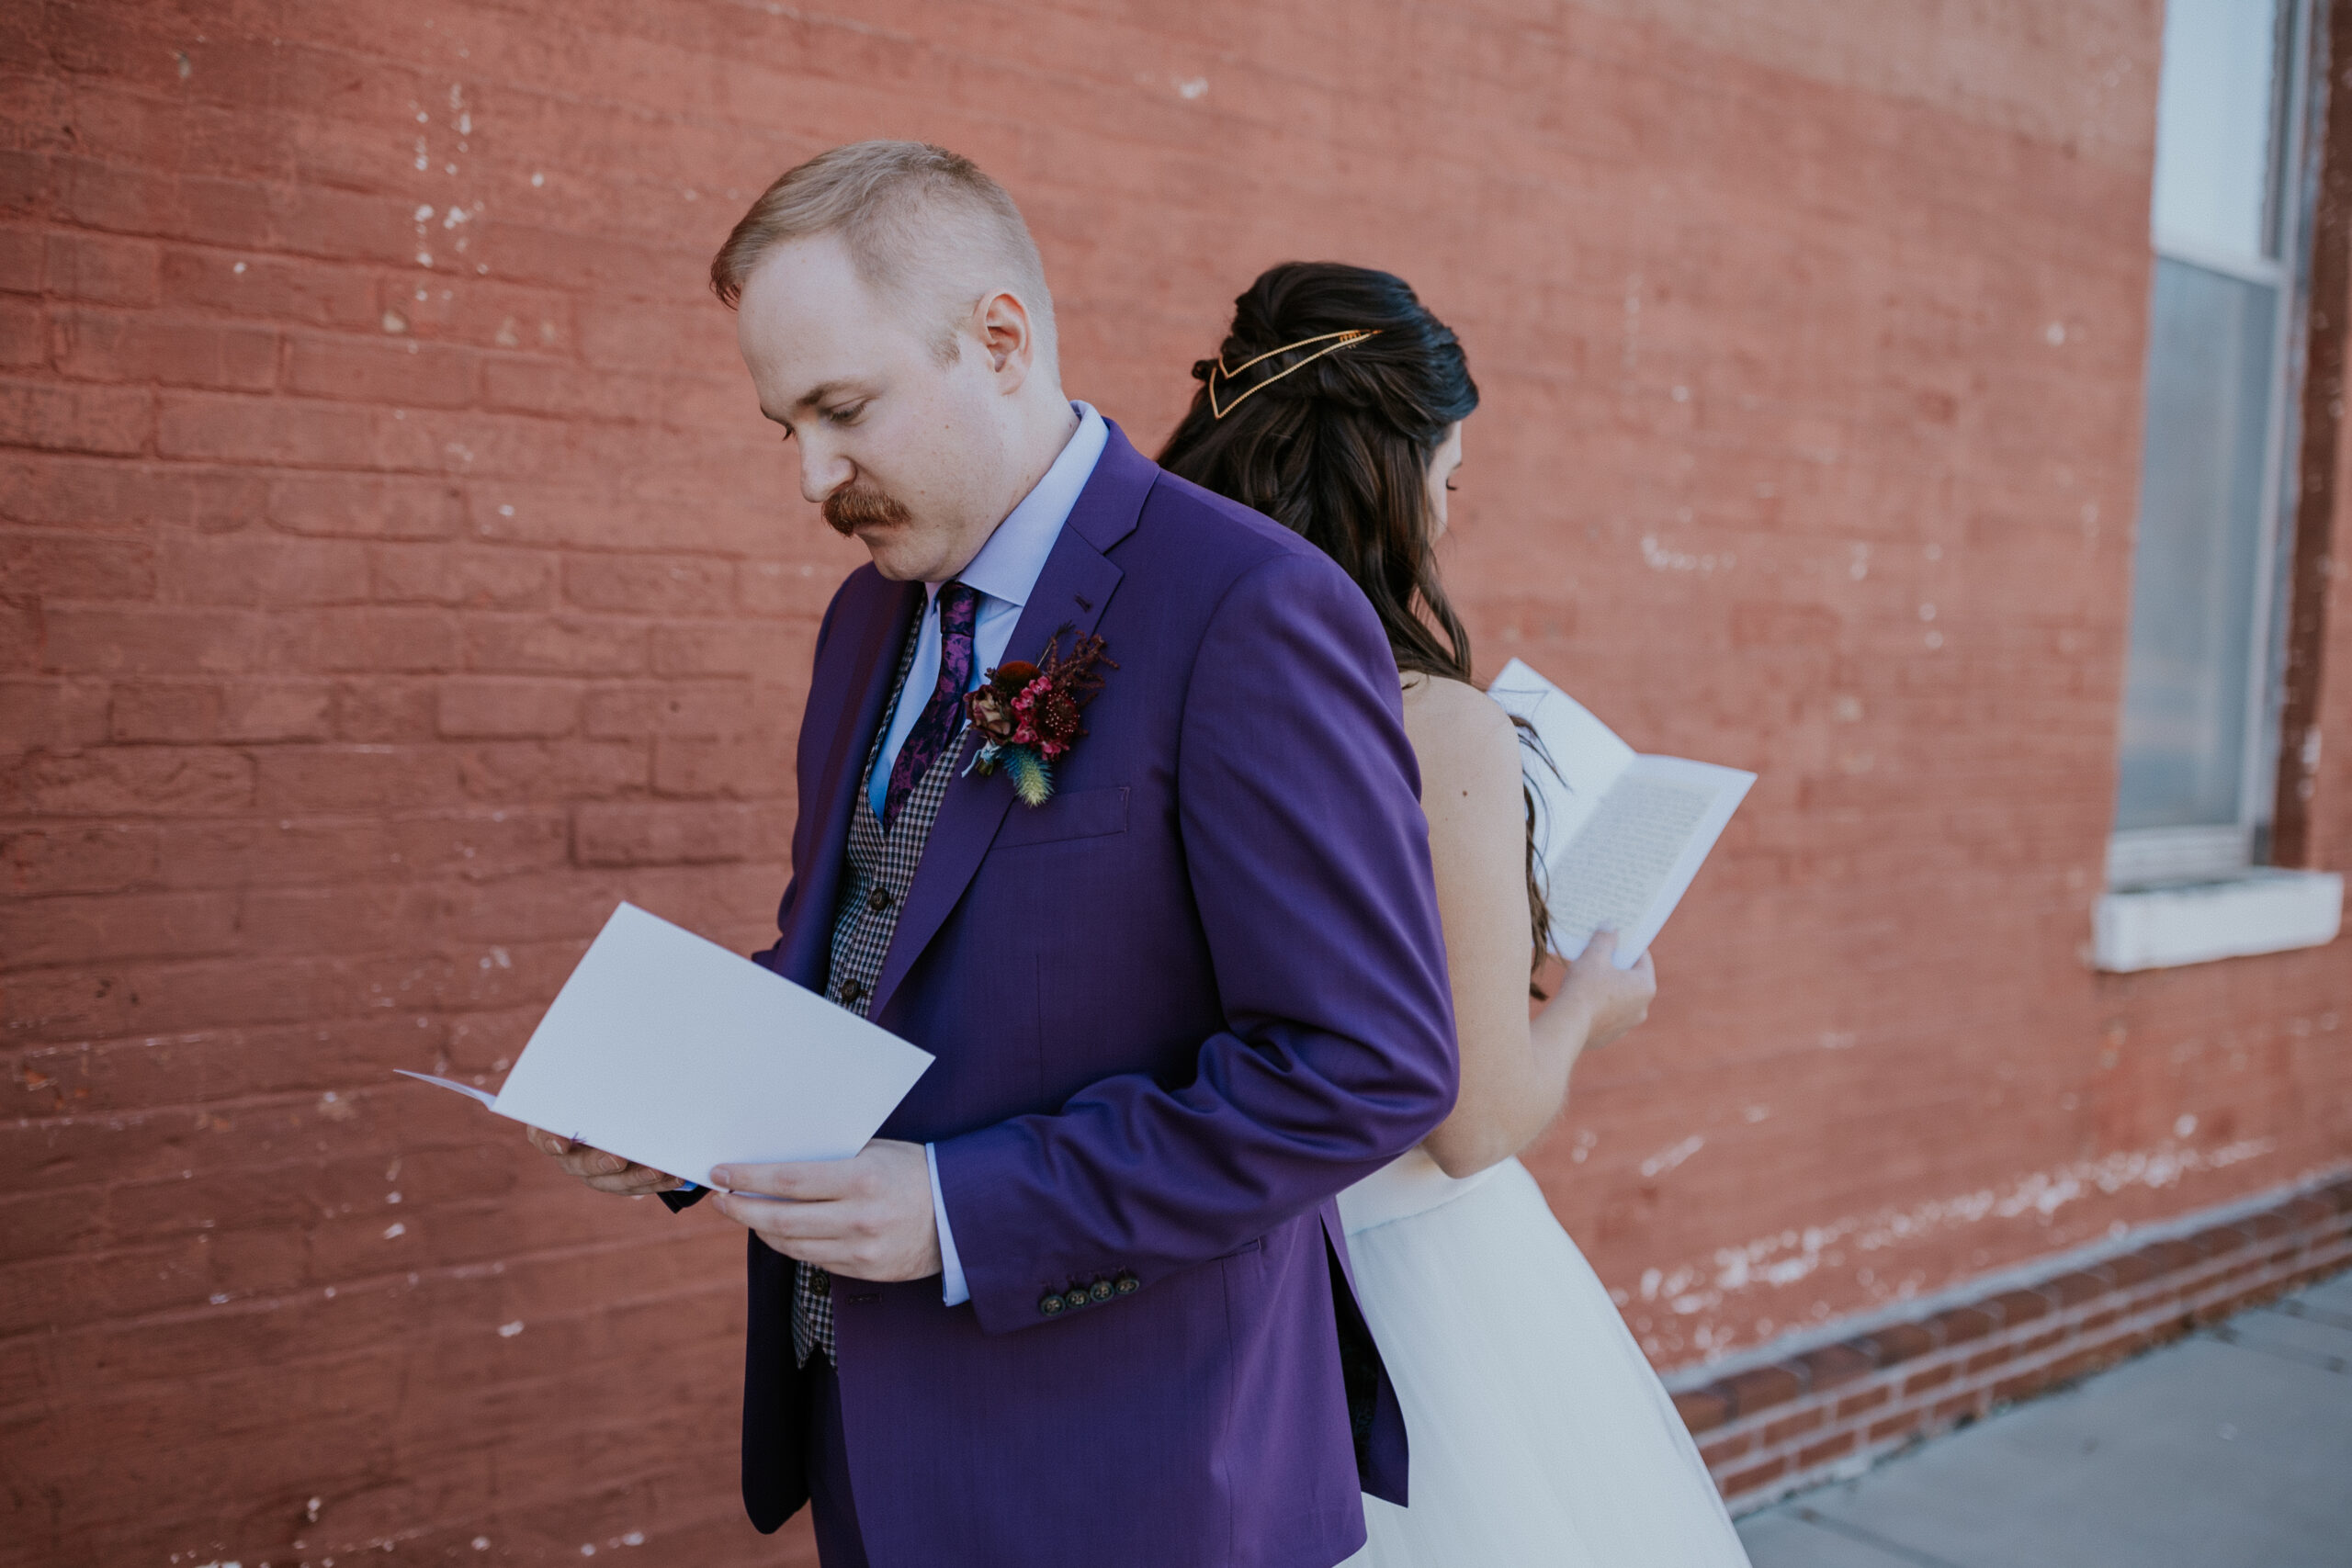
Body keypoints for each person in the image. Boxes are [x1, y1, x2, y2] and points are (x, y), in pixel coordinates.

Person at [526, 147, 1460, 1568]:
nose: (812, 477)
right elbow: (854, 952)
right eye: (785, 427)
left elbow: (1366, 1066)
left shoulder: (1249, 608)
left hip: (1138, 1463)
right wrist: (670, 1100)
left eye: (842, 410)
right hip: (871, 1438)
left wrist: (967, 1210)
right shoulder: (865, 621)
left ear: (1000, 339)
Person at [1160, 262, 1754, 1567]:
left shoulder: (1146, 671)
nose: (1449, 506)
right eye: (1450, 472)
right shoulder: (1437, 726)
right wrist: (1592, 997)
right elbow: (1474, 1121)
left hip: (1187, 1278)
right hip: (1402, 1292)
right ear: (1396, 470)